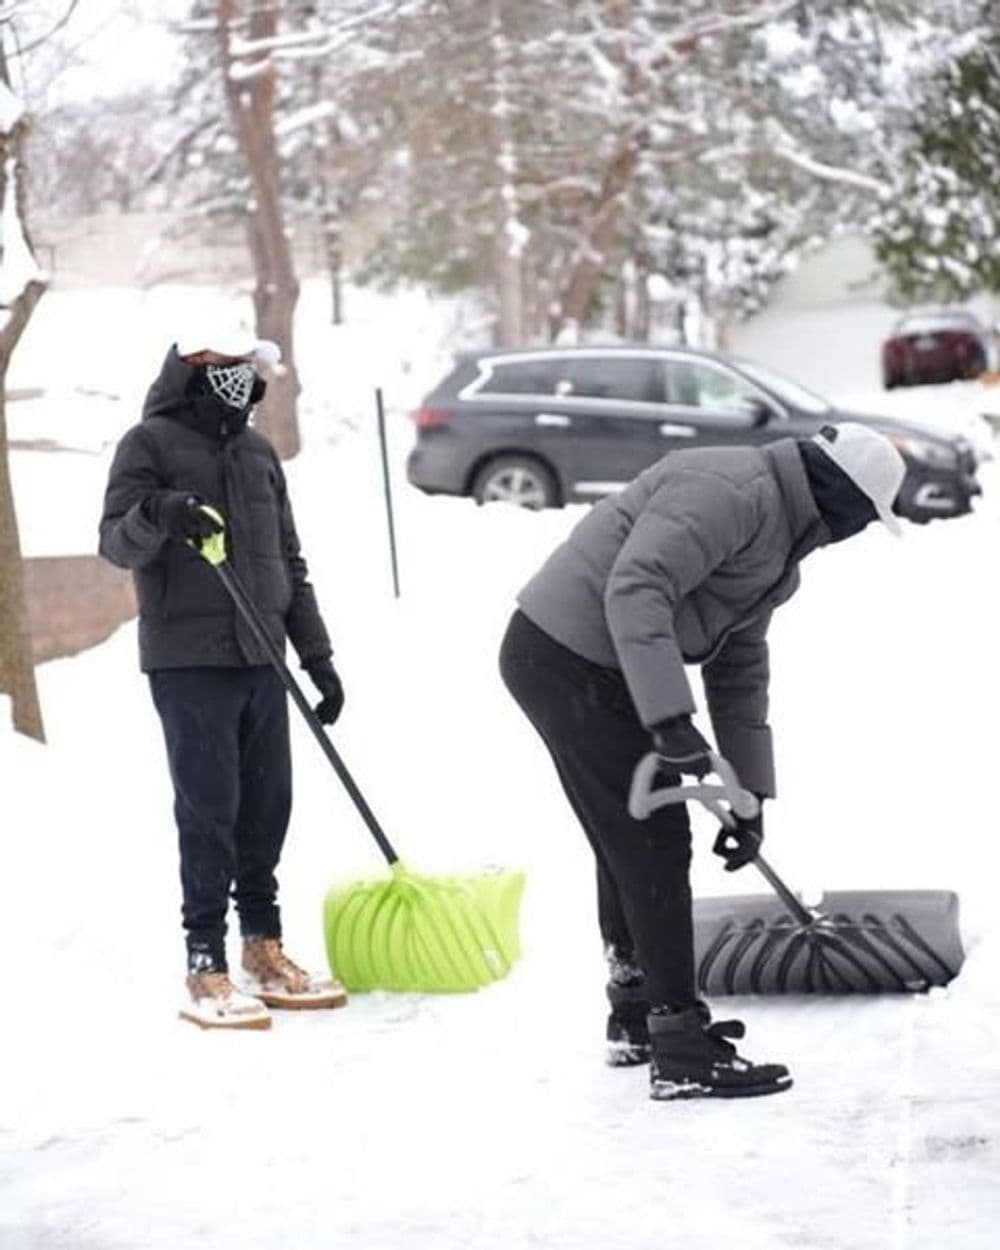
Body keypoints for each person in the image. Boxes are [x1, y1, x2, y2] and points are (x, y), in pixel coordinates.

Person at [498, 422, 907, 1100]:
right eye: (863, 519)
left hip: (608, 665)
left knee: (626, 843)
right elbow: (636, 588)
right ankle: (679, 1041)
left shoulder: (780, 548)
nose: (853, 535)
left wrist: (751, 797)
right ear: (839, 497)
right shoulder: (730, 490)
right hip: (562, 655)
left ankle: (638, 1015)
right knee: (650, 841)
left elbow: (739, 669)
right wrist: (670, 718)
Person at [99, 328, 348, 1031]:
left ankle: (262, 950)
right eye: (226, 363)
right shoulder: (146, 445)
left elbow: (288, 561)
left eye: (247, 363)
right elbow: (115, 541)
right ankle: (204, 960)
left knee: (268, 805)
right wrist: (160, 512)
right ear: (191, 366)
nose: (240, 374)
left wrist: (317, 655)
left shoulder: (258, 452)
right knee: (210, 808)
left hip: (261, 655)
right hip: (189, 658)